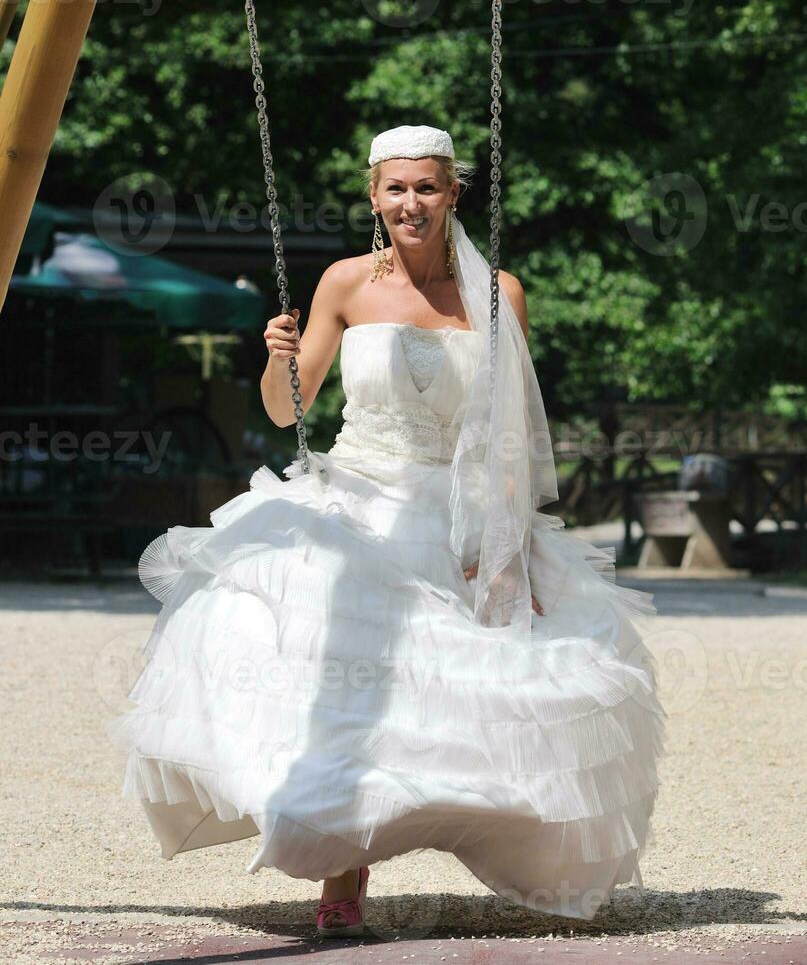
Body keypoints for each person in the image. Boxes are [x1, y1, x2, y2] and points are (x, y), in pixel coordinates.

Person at [107, 125, 665, 931]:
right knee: (334, 675)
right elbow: (282, 409)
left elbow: (510, 433)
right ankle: (341, 872)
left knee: (471, 692)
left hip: (462, 509)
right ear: (374, 197)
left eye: (427, 187)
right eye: (396, 189)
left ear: (452, 195)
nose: (412, 203)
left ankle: (494, 843)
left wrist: (506, 548)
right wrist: (276, 356)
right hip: (358, 497)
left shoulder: (498, 295)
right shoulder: (343, 283)